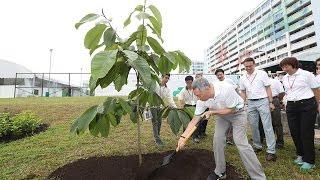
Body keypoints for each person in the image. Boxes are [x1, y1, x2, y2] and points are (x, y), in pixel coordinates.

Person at [176, 77, 266, 180]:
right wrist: (183, 137)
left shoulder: (226, 89)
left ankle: (259, 177)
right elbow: (195, 120)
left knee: (241, 143)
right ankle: (220, 172)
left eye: (199, 95)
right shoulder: (201, 100)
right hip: (222, 116)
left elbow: (232, 110)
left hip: (237, 114)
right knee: (217, 141)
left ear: (207, 88)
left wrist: (212, 112)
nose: (198, 98)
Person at [280, 57, 320, 171]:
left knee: (306, 133)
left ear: (293, 65)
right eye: (283, 67)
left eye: (286, 66)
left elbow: (316, 90)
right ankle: (301, 155)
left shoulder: (307, 75)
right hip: (291, 106)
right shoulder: (285, 78)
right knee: (295, 132)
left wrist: (317, 104)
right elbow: (288, 91)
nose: (284, 69)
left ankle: (310, 160)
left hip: (307, 105)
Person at [239, 57, 277, 161]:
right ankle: (257, 146)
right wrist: (242, 103)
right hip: (250, 102)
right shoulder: (242, 77)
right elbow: (243, 92)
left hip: (263, 101)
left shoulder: (262, 74)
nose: (248, 68)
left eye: (250, 66)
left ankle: (271, 151)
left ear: (254, 64)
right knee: (253, 125)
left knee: (267, 125)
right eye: (246, 66)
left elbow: (268, 88)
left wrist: (270, 102)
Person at [151, 74, 176, 147]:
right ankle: (157, 139)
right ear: (161, 77)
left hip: (160, 107)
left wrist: (175, 107)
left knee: (159, 122)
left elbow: (170, 99)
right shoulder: (155, 84)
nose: (167, 79)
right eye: (165, 77)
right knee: (155, 122)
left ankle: (157, 136)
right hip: (152, 106)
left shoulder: (167, 89)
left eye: (168, 78)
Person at [215, 68, 236, 145]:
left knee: (231, 122)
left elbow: (236, 89)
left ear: (223, 74)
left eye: (221, 74)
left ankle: (229, 138)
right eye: (218, 75)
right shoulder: (216, 83)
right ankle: (222, 138)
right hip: (221, 105)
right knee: (223, 122)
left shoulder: (229, 81)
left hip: (230, 104)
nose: (219, 76)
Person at [269, 75, 285, 148]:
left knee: (276, 122)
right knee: (266, 122)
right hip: (263, 101)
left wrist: (278, 100)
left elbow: (282, 92)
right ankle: (269, 140)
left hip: (274, 99)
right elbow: (282, 92)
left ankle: (280, 142)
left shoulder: (275, 81)